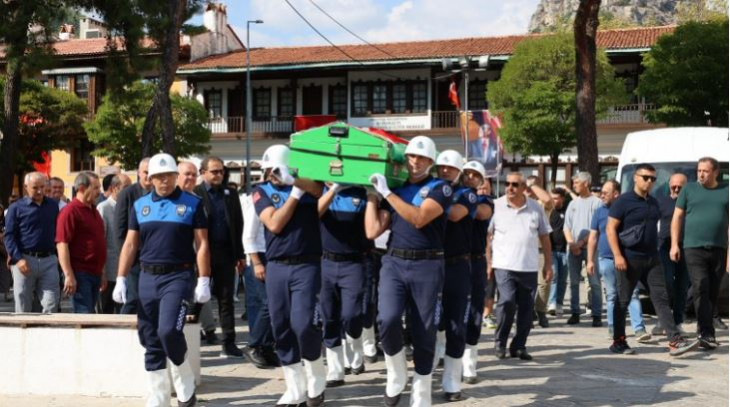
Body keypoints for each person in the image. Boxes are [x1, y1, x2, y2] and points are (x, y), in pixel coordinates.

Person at [114, 153, 210, 407]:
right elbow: (131, 243)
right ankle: (157, 395)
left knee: (169, 331)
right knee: (149, 336)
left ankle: (184, 380)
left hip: (178, 276)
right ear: (150, 179)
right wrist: (121, 277)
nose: (163, 181)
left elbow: (201, 244)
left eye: (168, 176)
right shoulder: (141, 206)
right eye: (158, 177)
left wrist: (204, 279)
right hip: (147, 276)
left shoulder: (192, 203)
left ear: (175, 176)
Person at [366, 135, 452, 407]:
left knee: (423, 329)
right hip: (394, 261)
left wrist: (388, 194)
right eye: (412, 156)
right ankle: (396, 372)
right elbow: (371, 230)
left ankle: (422, 389)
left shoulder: (441, 188)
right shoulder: (397, 187)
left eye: (422, 158)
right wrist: (371, 195)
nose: (415, 162)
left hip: (427, 264)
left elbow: (419, 218)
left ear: (431, 161)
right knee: (387, 319)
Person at [253, 145, 326, 406]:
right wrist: (295, 194)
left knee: (304, 323)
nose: (271, 174)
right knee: (280, 326)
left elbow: (319, 190)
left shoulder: (308, 185)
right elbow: (274, 223)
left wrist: (296, 181)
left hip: (306, 264)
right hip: (277, 266)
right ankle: (295, 387)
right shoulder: (261, 190)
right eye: (268, 170)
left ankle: (316, 375)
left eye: (274, 169)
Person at [606, 163, 699, 356]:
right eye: (645, 177)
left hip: (652, 259)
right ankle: (618, 341)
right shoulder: (623, 201)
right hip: (629, 259)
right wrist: (617, 255)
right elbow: (610, 229)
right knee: (622, 301)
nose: (649, 181)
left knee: (662, 299)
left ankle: (674, 340)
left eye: (653, 179)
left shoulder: (654, 202)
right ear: (635, 178)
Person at [487, 172, 553, 361]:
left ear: (524, 188)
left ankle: (518, 346)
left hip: (528, 266)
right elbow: (487, 235)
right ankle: (500, 343)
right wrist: (488, 261)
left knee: (526, 309)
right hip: (503, 265)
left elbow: (545, 237)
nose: (510, 188)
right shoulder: (496, 205)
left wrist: (548, 264)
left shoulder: (535, 208)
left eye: (515, 184)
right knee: (506, 301)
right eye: (507, 184)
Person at [671, 157, 728, 350]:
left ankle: (705, 329)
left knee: (713, 291)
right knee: (701, 286)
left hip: (719, 248)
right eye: (698, 170)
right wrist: (674, 245)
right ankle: (705, 333)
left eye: (705, 171)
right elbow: (677, 216)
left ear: (715, 172)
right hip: (693, 248)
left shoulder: (726, 190)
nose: (700, 174)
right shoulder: (689, 190)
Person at [431, 150, 474, 401]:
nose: (445, 170)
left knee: (456, 323)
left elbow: (456, 214)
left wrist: (430, 204)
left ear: (459, 171)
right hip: (431, 262)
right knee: (429, 320)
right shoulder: (430, 188)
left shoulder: (465, 193)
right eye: (442, 167)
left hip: (457, 265)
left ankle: (451, 380)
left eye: (450, 168)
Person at [193, 156, 246, 359]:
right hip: (202, 254)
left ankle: (229, 342)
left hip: (225, 253)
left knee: (226, 300)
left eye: (220, 171)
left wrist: (239, 254)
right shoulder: (196, 194)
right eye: (213, 171)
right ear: (203, 172)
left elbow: (238, 224)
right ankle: (189, 336)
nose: (218, 175)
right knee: (197, 297)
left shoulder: (230, 194)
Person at [317, 182, 369, 388]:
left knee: (351, 315)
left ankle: (356, 349)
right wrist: (332, 190)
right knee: (328, 317)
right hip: (326, 262)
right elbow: (314, 214)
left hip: (353, 262)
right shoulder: (318, 191)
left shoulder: (360, 193)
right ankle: (336, 370)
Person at [586, 180, 650, 342]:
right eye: (602, 192)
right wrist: (590, 260)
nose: (602, 195)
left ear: (616, 194)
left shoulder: (626, 210)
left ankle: (639, 329)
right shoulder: (599, 212)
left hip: (627, 258)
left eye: (606, 193)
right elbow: (593, 237)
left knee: (632, 293)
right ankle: (612, 327)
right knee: (612, 295)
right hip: (606, 259)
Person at [3, 172, 60, 313]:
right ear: (26, 187)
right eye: (35, 187)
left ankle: (47, 333)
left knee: (51, 303)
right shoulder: (16, 208)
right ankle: (23, 333)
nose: (40, 191)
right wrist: (17, 259)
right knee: (23, 303)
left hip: (49, 260)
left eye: (42, 186)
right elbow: (9, 236)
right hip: (24, 260)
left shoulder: (53, 205)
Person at [178, 161, 219, 345]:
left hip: (197, 257)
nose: (191, 178)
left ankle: (208, 329)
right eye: (187, 174)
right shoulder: (168, 199)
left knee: (202, 293)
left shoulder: (197, 200)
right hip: (175, 261)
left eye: (194, 175)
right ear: (177, 175)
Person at [461, 161, 493, 385]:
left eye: (476, 175)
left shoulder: (484, 200)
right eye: (467, 173)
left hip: (475, 261)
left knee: (474, 311)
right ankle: (443, 350)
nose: (471, 177)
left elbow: (482, 214)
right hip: (450, 261)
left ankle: (469, 362)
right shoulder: (451, 193)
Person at [56, 172, 106, 313]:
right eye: (96, 188)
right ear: (83, 188)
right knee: (84, 316)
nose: (99, 192)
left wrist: (102, 271)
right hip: (80, 273)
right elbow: (62, 244)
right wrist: (68, 274)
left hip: (94, 272)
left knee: (90, 315)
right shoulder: (70, 211)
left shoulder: (94, 211)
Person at [241, 183, 279, 369]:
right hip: (260, 256)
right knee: (269, 304)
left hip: (274, 254)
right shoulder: (258, 200)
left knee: (276, 304)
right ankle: (253, 344)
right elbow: (248, 235)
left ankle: (267, 347)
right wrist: (256, 262)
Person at [564, 171, 603, 326]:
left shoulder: (597, 202)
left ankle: (597, 314)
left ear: (586, 183)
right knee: (573, 282)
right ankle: (575, 312)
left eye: (577, 182)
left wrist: (580, 243)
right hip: (573, 248)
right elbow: (566, 226)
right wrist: (571, 243)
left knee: (594, 282)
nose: (574, 185)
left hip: (590, 248)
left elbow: (598, 227)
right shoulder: (572, 204)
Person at [115, 157, 152, 314]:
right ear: (138, 173)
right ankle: (122, 331)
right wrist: (125, 259)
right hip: (133, 258)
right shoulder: (127, 194)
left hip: (152, 257)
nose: (149, 176)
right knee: (133, 299)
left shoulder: (160, 195)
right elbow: (119, 230)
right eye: (145, 172)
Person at [657, 173, 689, 333]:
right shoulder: (661, 202)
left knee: (682, 287)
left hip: (687, 248)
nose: (676, 189)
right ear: (669, 185)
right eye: (673, 186)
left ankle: (677, 322)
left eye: (680, 186)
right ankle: (662, 319)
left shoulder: (690, 203)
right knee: (666, 284)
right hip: (664, 247)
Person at [97, 174, 131, 314]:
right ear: (115, 188)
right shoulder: (103, 208)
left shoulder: (131, 206)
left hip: (126, 271)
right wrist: (102, 271)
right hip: (109, 271)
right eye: (126, 187)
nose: (130, 191)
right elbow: (100, 242)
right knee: (105, 312)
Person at [525, 175, 555, 328]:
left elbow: (549, 201)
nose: (528, 190)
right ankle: (527, 313)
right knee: (527, 284)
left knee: (544, 283)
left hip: (541, 249)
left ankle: (541, 311)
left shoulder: (540, 205)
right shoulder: (519, 203)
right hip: (524, 249)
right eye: (526, 186)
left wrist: (533, 185)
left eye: (532, 187)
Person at [547, 188, 569, 316]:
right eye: (552, 198)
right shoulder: (549, 211)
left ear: (562, 198)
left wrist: (569, 190)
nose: (553, 200)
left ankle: (559, 303)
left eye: (556, 198)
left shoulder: (568, 210)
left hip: (565, 250)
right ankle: (552, 303)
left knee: (563, 278)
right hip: (552, 249)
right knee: (554, 276)